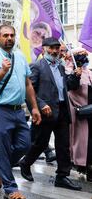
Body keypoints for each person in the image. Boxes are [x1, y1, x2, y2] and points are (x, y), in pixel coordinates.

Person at [0, 24, 42, 199]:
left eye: (12, 35)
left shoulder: (20, 57)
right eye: (5, 35)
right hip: (0, 112)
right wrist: (2, 71)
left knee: (25, 144)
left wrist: (35, 108)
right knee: (4, 151)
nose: (9, 38)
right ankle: (10, 188)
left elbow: (28, 84)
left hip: (19, 111)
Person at [18, 37, 82, 190]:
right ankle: (25, 163)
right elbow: (29, 91)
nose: (54, 51)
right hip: (45, 112)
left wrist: (76, 76)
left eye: (56, 48)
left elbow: (69, 86)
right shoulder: (36, 67)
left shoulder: (60, 67)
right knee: (39, 144)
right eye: (51, 48)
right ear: (44, 49)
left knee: (63, 145)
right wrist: (40, 105)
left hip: (62, 111)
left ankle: (62, 176)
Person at [65, 48, 92, 182]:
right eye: (80, 56)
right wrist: (76, 74)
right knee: (81, 140)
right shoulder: (68, 70)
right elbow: (71, 86)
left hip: (89, 110)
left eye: (85, 55)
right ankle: (82, 165)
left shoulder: (89, 72)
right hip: (78, 110)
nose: (83, 58)